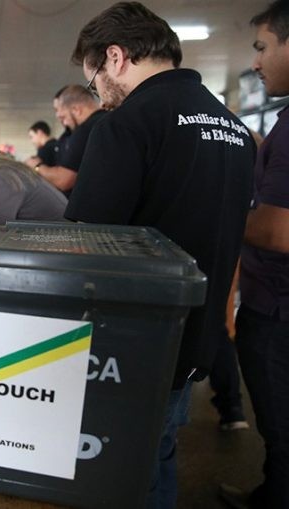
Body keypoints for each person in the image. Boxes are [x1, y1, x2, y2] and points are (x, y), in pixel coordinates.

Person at [66, 3, 255, 507]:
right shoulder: (235, 128)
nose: (100, 97)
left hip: (128, 348)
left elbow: (85, 243)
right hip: (197, 339)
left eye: (94, 83)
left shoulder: (126, 125)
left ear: (115, 57)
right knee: (160, 456)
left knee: (117, 475)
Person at [220, 2, 289, 507]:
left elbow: (277, 230)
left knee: (281, 424)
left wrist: (214, 218)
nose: (257, 63)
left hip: (278, 309)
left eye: (263, 47)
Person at [35, 85, 104, 195]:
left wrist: (37, 166)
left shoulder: (86, 130)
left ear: (76, 110)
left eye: (63, 117)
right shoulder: (107, 121)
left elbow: (64, 180)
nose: (65, 123)